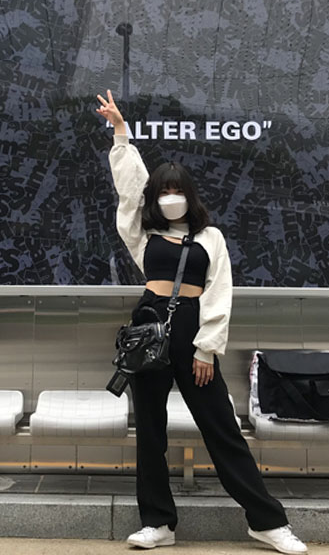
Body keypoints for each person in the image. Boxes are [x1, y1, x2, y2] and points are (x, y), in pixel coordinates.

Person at [95, 90, 308, 554]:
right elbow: (131, 190)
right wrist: (120, 133)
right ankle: (158, 523)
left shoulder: (210, 237)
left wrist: (206, 347)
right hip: (148, 326)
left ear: (189, 196)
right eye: (163, 191)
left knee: (221, 428)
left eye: (176, 191)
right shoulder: (143, 233)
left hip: (193, 329)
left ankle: (267, 522)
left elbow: (219, 293)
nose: (169, 197)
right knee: (150, 431)